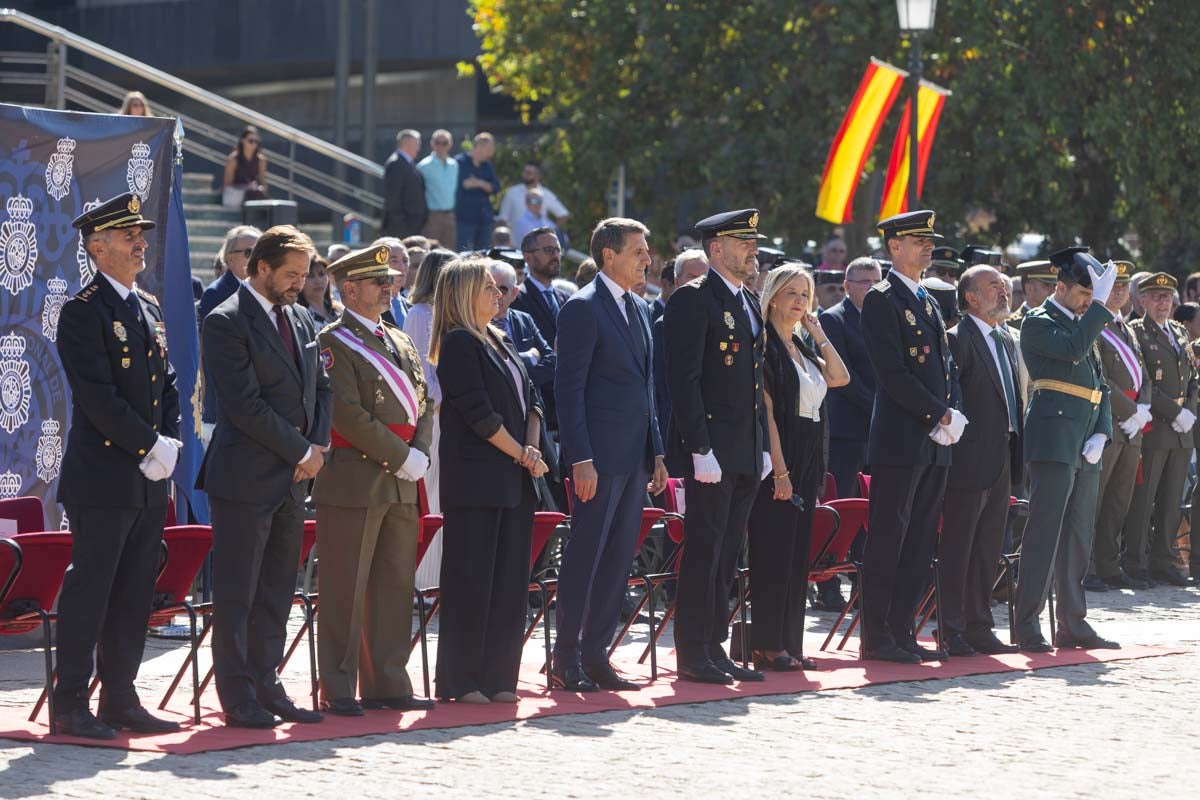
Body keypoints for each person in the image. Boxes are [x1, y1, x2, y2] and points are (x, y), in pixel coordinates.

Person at [51, 193, 181, 739]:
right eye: (129, 236)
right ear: (97, 246)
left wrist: (168, 442)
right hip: (104, 477)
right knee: (93, 591)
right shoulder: (82, 311)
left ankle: (120, 699)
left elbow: (166, 385)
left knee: (133, 593)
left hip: (147, 479)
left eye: (140, 235)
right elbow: (99, 398)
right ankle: (71, 704)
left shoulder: (146, 307)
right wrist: (150, 445)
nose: (140, 243)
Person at [199, 225, 332, 727]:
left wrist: (315, 446)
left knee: (277, 587)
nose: (300, 283)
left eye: (304, 274)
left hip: (293, 476)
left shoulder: (300, 318)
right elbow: (244, 404)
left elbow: (322, 388)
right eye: (291, 274)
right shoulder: (225, 320)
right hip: (244, 477)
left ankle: (267, 680)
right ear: (261, 268)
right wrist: (301, 448)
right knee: (239, 592)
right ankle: (236, 694)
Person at [311, 245, 435, 716]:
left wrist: (419, 453)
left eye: (390, 281)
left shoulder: (398, 340)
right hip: (355, 479)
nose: (389, 288)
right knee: (346, 587)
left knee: (393, 585)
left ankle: (388, 681)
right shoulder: (333, 341)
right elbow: (346, 414)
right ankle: (339, 686)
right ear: (349, 289)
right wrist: (403, 455)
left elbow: (423, 403)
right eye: (377, 282)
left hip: (403, 477)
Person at [551, 218, 668, 691]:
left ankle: (597, 653)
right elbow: (568, 388)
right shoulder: (582, 308)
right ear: (608, 256)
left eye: (647, 250)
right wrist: (580, 457)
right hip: (597, 459)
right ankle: (566, 656)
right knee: (586, 556)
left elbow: (647, 387)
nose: (647, 259)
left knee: (619, 558)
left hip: (633, 458)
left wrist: (656, 452)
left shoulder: (640, 307)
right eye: (638, 251)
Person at [431, 255, 549, 703]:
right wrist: (522, 454)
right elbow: (479, 413)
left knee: (508, 582)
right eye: (488, 288)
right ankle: (462, 680)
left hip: (515, 477)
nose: (498, 295)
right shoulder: (460, 343)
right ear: (464, 293)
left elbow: (532, 397)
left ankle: (499, 676)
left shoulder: (499, 338)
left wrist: (531, 448)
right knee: (472, 581)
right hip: (478, 480)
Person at [664, 208, 768, 685]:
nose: (753, 250)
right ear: (715, 250)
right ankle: (692, 651)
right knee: (705, 550)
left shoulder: (747, 300)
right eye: (742, 242)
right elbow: (684, 382)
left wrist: (762, 445)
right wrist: (698, 448)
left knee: (728, 553)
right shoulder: (693, 299)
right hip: (712, 450)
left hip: (743, 448)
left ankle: (716, 646)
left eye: (753, 243)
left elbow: (752, 383)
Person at [859, 210, 963, 664]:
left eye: (929, 241)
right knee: (889, 540)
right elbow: (893, 374)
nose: (927, 247)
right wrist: (938, 413)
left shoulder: (927, 299)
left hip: (933, 440)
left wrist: (951, 410)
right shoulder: (882, 299)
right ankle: (877, 634)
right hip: (901, 440)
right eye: (917, 240)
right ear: (893, 246)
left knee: (920, 541)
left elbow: (946, 368)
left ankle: (902, 630)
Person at [1012, 247, 1121, 652]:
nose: (1089, 301)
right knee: (1044, 534)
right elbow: (1073, 349)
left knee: (1078, 536)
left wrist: (1103, 431)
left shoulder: (1083, 322)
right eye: (1082, 292)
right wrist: (1100, 310)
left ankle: (1072, 623)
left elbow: (1101, 385)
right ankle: (1027, 623)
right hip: (1054, 439)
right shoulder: (1039, 321)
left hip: (1084, 441)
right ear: (1059, 287)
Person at [750, 265, 849, 671]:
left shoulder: (806, 347)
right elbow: (768, 412)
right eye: (791, 292)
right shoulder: (766, 347)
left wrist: (819, 332)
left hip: (810, 453)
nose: (799, 301)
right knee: (773, 552)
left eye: (805, 294)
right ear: (772, 296)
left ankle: (789, 641)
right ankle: (767, 642)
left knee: (796, 556)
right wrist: (780, 470)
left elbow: (841, 378)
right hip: (782, 453)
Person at [939, 265, 1023, 656]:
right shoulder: (958, 339)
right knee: (960, 546)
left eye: (1003, 286)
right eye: (993, 286)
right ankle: (952, 628)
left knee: (989, 546)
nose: (1002, 291)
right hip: (969, 458)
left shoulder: (1005, 339)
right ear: (970, 297)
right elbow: (954, 400)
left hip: (1002, 455)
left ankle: (979, 625)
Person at [1124, 272, 1197, 588]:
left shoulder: (1179, 332)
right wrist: (1175, 411)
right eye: (1155, 297)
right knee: (1145, 498)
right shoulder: (1137, 332)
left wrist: (1190, 410)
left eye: (1166, 297)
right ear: (1141, 301)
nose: (1162, 303)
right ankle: (1135, 560)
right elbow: (1144, 382)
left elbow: (1192, 376)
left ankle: (1163, 560)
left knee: (1171, 499)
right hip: (1155, 425)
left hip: (1182, 429)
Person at [815, 255, 880, 609]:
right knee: (841, 508)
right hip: (848, 430)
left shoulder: (883, 319)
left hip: (879, 432)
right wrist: (879, 408)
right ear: (847, 285)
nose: (871, 288)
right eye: (864, 282)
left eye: (876, 281)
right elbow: (843, 378)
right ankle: (826, 586)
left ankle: (862, 584)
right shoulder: (833, 319)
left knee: (870, 511)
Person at [1085, 262, 1152, 592]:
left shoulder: (1127, 329)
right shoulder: (1097, 327)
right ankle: (1088, 566)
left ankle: (1110, 563)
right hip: (1110, 422)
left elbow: (1145, 376)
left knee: (1119, 501)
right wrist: (1129, 411)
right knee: (1095, 501)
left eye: (1124, 286)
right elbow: (1103, 378)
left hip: (1133, 425)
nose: (1121, 291)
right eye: (1114, 286)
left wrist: (1143, 409)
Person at [402, 248, 458, 588]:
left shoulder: (447, 315)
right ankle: (424, 583)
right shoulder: (421, 314)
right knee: (432, 496)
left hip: (450, 418)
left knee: (446, 497)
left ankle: (440, 578)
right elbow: (421, 376)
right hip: (434, 419)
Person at [198, 226, 262, 444]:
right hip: (225, 411)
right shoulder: (217, 294)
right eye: (249, 252)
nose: (257, 258)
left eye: (261, 251)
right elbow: (214, 358)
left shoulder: (264, 294)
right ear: (229, 258)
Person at [652, 249, 708, 443]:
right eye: (692, 277)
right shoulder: (664, 325)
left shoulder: (719, 323)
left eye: (704, 277)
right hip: (677, 434)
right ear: (676, 282)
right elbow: (662, 388)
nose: (699, 282)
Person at [454, 132, 500, 251]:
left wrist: (479, 183)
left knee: (483, 253)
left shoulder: (487, 165)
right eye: (489, 149)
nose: (491, 153)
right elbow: (465, 184)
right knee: (463, 253)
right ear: (479, 146)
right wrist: (485, 185)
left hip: (484, 218)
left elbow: (495, 188)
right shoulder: (460, 162)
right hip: (464, 218)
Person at [381, 129, 428, 238]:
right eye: (417, 144)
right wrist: (401, 224)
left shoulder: (408, 163)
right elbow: (393, 198)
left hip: (412, 224)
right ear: (406, 144)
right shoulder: (396, 163)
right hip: (401, 227)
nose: (419, 148)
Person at [499, 161, 570, 231]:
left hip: (538, 241)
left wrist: (551, 232)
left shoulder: (546, 194)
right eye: (524, 172)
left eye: (529, 173)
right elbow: (503, 219)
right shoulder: (512, 192)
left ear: (538, 176)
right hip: (516, 241)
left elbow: (563, 214)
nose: (524, 175)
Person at [417, 129, 458, 247]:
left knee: (450, 252)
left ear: (450, 145)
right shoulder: (423, 166)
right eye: (437, 142)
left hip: (450, 215)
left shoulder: (454, 165)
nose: (440, 146)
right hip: (432, 217)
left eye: (444, 143)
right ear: (432, 144)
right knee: (431, 251)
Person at [222, 125, 268, 208]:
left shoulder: (261, 159)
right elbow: (227, 184)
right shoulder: (233, 159)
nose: (254, 144)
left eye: (256, 141)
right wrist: (244, 187)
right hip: (235, 196)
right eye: (250, 141)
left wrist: (259, 188)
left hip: (252, 197)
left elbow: (263, 182)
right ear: (243, 140)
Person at [371, 237, 411, 327]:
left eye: (405, 261)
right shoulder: (367, 308)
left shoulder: (411, 308)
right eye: (394, 261)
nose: (402, 267)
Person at [1008, 260, 1058, 330]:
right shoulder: (1012, 324)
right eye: (1047, 285)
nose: (1053, 291)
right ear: (1029, 288)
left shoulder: (1057, 320)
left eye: (1055, 285)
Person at [297, 254, 340, 327]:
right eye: (310, 276)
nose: (318, 281)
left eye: (321, 274)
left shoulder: (340, 310)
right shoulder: (296, 316)